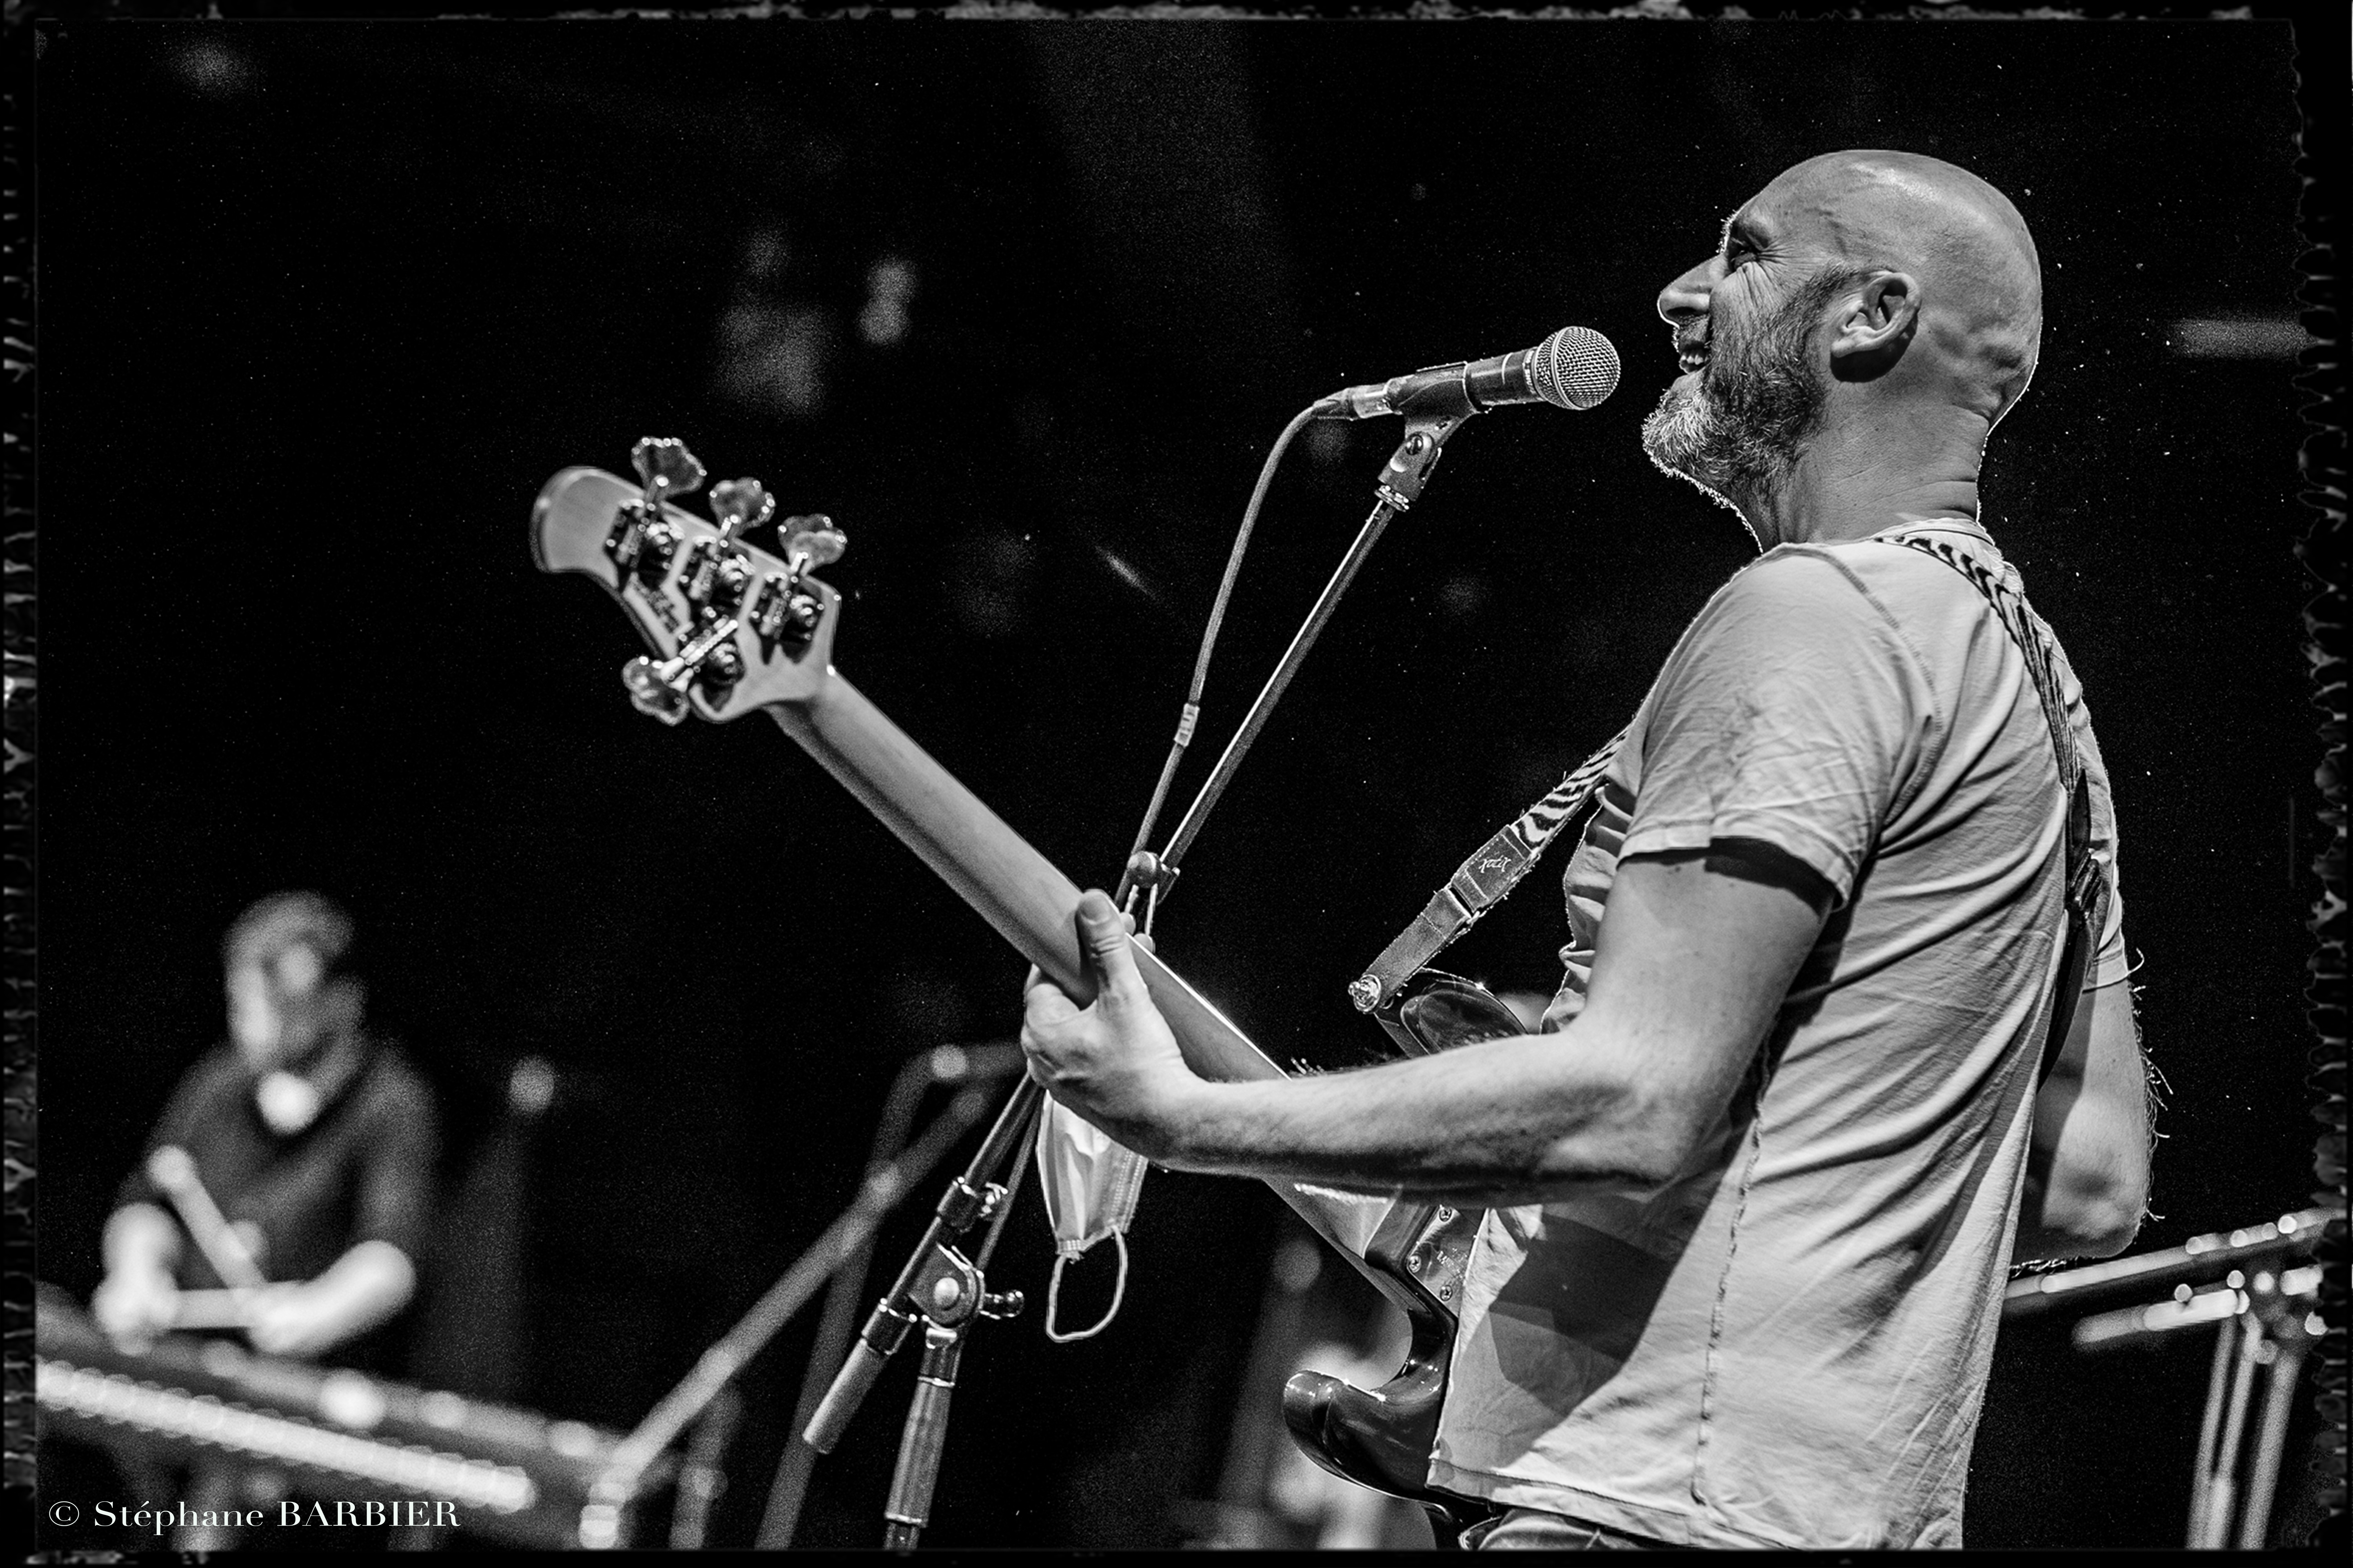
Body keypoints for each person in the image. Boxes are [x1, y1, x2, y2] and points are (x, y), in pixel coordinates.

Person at [1020, 150, 2153, 1551]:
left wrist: (1184, 1120)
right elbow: (2094, 1181)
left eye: (1745, 254)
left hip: (1634, 1502)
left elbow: (1633, 1102)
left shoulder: (1813, 616)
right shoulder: (2041, 691)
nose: (1680, 293)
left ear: (1873, 315)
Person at [89, 891, 440, 1546]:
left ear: (343, 1003)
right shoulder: (220, 1082)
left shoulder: (393, 1104)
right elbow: (147, 1206)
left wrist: (319, 1310)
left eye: (282, 1008)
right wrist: (137, 1275)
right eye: (246, 1006)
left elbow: (390, 1255)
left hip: (304, 1408)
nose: (257, 1027)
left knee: (218, 1517)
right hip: (186, 1373)